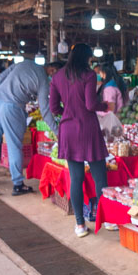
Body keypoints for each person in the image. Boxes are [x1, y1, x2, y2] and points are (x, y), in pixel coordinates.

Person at [49, 44, 108, 238]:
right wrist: (105, 106)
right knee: (99, 177)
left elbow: (53, 108)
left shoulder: (57, 77)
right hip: (88, 129)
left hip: (68, 130)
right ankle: (105, 219)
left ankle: (80, 225)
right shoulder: (89, 75)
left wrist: (67, 112)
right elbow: (91, 104)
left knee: (76, 178)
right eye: (90, 59)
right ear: (86, 58)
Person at [0, 57, 59, 196]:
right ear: (52, 70)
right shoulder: (44, 80)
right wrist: (57, 132)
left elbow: (1, 76)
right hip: (11, 107)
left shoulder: (25, 63)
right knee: (14, 145)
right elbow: (45, 110)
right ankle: (18, 184)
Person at [95, 60, 127, 135]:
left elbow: (110, 109)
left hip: (113, 123)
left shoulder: (109, 88)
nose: (99, 74)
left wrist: (96, 110)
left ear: (104, 73)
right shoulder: (118, 83)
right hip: (120, 118)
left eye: (100, 72)